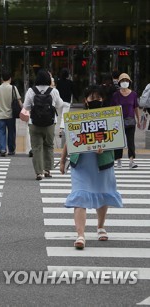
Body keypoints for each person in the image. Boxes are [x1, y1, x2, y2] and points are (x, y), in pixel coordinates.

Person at [59, 85, 123, 250]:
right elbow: (71, 139)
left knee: (103, 194)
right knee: (79, 195)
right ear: (85, 101)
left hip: (102, 162)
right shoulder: (77, 118)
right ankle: (80, 235)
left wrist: (104, 146)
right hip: (81, 163)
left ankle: (100, 226)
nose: (95, 100)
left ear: (103, 100)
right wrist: (62, 159)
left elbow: (115, 138)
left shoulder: (109, 117)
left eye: (98, 98)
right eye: (92, 98)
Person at [23, 69, 69, 180]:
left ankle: (39, 173)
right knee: (49, 146)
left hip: (34, 123)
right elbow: (59, 104)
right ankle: (47, 170)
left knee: (36, 147)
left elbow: (26, 106)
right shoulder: (53, 91)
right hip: (49, 123)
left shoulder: (31, 90)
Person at [111, 73, 140, 169]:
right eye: (123, 81)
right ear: (119, 82)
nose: (125, 82)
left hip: (131, 121)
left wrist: (138, 120)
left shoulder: (133, 94)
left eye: (126, 81)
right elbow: (113, 109)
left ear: (129, 82)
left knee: (130, 141)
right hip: (118, 122)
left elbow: (136, 107)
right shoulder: (116, 95)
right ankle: (118, 159)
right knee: (119, 141)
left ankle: (131, 161)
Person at [0, 70, 22, 157]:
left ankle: (2, 149)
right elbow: (19, 100)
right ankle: (11, 150)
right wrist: (24, 109)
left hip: (0, 115)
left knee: (1, 132)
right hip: (11, 115)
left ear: (2, 79)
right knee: (11, 132)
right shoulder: (13, 88)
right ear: (10, 78)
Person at [56, 68, 74, 139]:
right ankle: (61, 129)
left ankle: (60, 128)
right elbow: (73, 91)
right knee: (64, 116)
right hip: (67, 102)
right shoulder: (70, 82)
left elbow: (57, 92)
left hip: (60, 101)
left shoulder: (59, 82)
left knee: (60, 116)